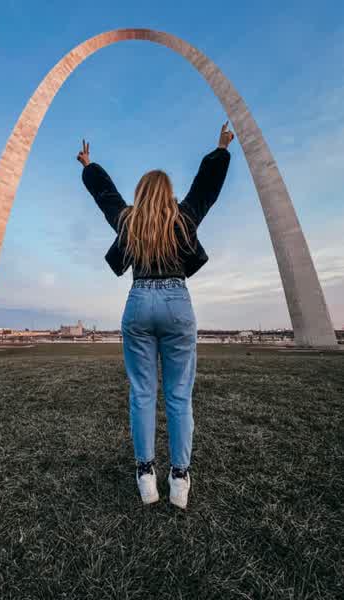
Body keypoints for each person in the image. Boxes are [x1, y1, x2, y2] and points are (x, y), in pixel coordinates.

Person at [77, 122, 234, 509]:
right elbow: (206, 189)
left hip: (139, 301)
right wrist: (221, 149)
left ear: (141, 194)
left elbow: (106, 197)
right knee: (180, 395)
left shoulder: (129, 221)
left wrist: (89, 166)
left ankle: (146, 474)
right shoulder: (183, 218)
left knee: (142, 393)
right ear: (168, 194)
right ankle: (179, 478)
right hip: (177, 302)